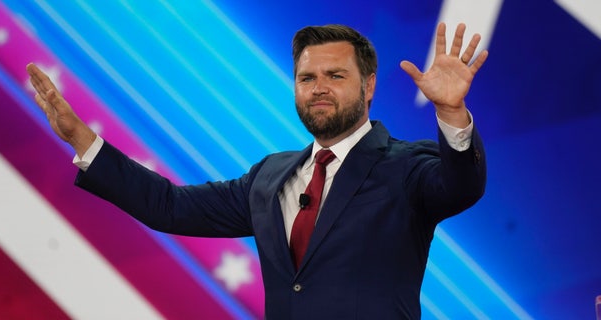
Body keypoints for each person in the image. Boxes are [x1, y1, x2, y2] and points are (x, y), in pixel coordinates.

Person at [27, 22, 487, 319]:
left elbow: (459, 185)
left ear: (369, 87)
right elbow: (169, 207)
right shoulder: (271, 176)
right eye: (307, 78)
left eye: (336, 76)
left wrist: (451, 113)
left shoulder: (406, 166)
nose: (318, 89)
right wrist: (81, 139)